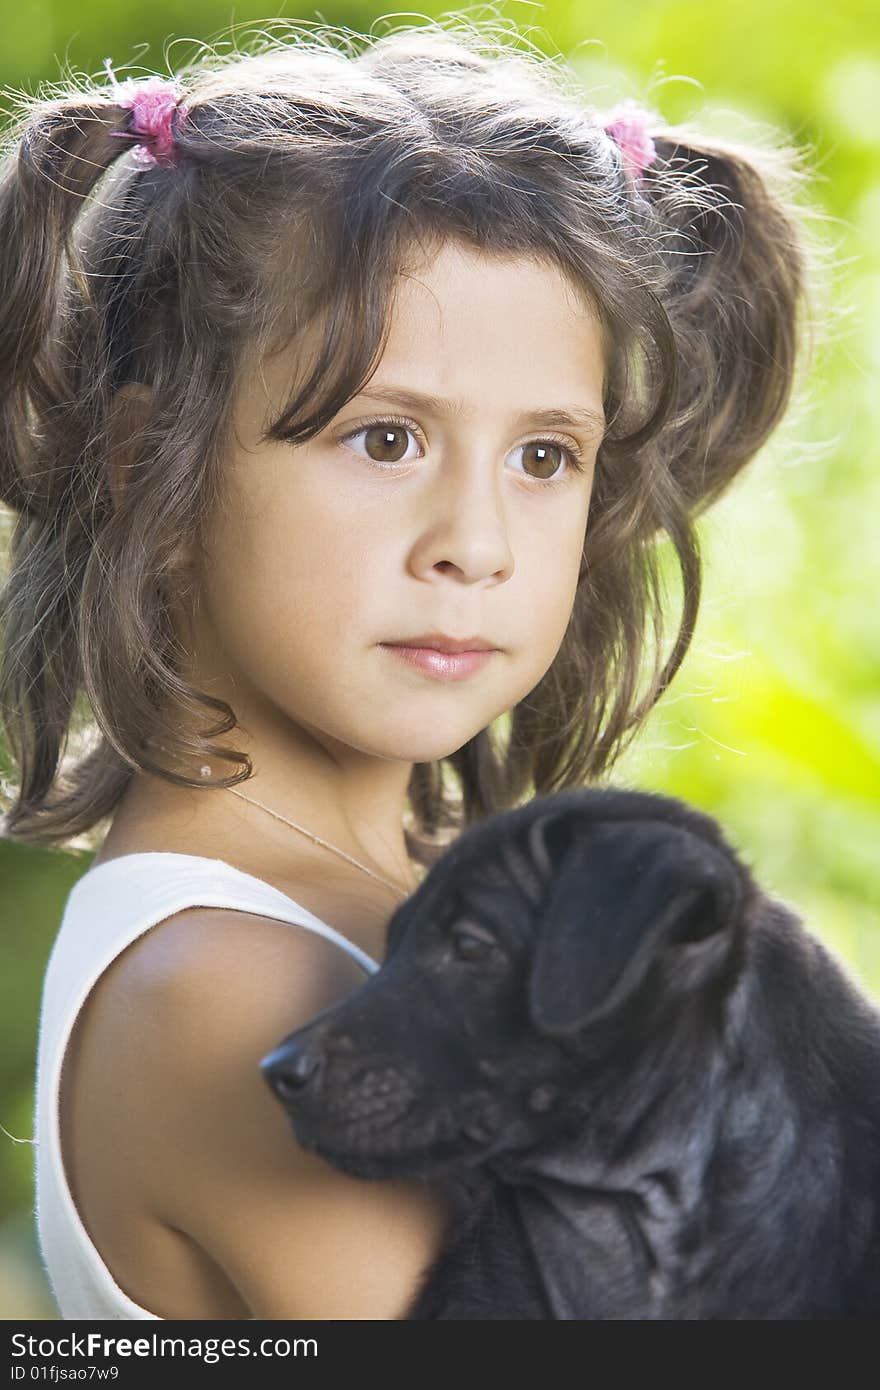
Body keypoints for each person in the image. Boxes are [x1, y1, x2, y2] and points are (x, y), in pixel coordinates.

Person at [0, 17, 820, 1319]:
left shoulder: (412, 900)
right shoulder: (242, 985)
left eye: (544, 455)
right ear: (147, 468)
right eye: (384, 439)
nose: (475, 545)